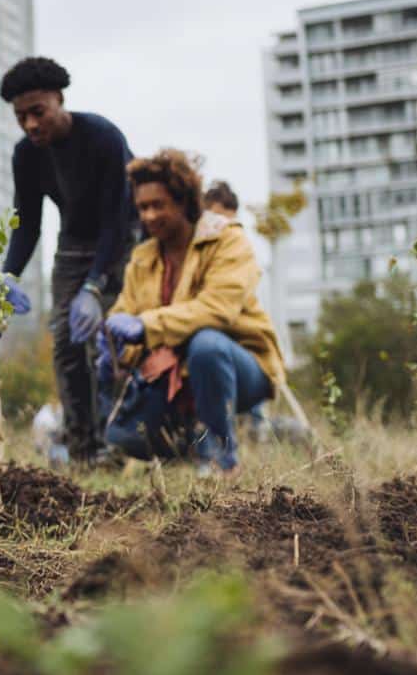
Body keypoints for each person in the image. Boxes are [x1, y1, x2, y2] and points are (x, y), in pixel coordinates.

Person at [98, 149, 285, 475]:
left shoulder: (228, 240)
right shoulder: (143, 257)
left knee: (206, 345)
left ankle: (222, 459)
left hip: (240, 367)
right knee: (124, 436)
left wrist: (145, 326)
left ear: (184, 202)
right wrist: (114, 342)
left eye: (159, 205)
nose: (149, 216)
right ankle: (183, 448)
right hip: (171, 370)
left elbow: (217, 309)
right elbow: (124, 311)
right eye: (143, 207)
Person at [0, 56, 137, 464]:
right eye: (21, 117)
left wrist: (95, 287)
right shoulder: (26, 154)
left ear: (59, 100)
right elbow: (28, 225)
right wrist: (8, 273)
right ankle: (85, 451)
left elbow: (118, 219)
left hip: (123, 242)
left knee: (109, 344)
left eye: (38, 112)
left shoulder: (104, 137)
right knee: (65, 342)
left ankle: (121, 439)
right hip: (73, 246)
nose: (31, 125)